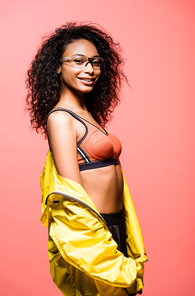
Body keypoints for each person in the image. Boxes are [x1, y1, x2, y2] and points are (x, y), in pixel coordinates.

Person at [26, 22, 148, 296]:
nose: (89, 70)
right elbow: (72, 196)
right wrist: (98, 245)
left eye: (95, 62)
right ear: (57, 66)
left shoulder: (88, 114)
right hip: (93, 235)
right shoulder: (60, 119)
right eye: (78, 61)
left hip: (118, 229)